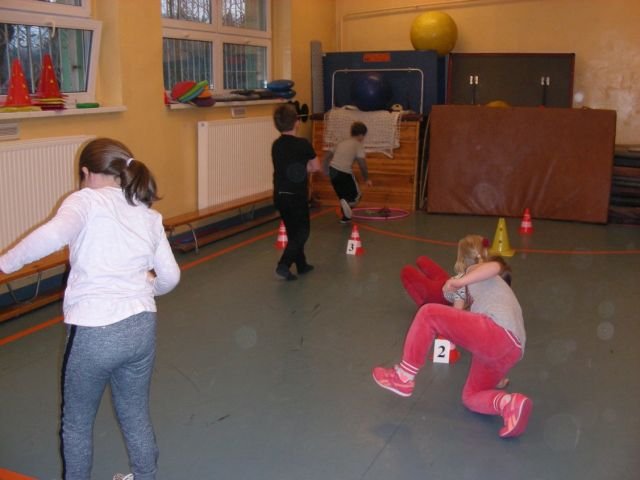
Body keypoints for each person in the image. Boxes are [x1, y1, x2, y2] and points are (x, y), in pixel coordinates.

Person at [0, 138, 181, 479]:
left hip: (94, 331)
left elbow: (51, 236)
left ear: (86, 172)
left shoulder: (84, 200)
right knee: (135, 413)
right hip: (141, 327)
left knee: (77, 423)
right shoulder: (147, 214)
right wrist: (148, 287)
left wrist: (4, 263)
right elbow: (170, 277)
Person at [372, 235, 531, 438]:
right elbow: (457, 315)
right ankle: (508, 404)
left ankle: (403, 376)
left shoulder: (477, 270)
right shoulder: (469, 287)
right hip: (511, 348)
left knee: (428, 313)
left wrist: (459, 280)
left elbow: (494, 267)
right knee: (471, 396)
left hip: (498, 330)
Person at [272, 103, 321, 280]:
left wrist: (299, 166)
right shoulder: (303, 144)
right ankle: (283, 264)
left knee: (293, 231)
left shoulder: (276, 145)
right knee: (302, 232)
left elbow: (286, 166)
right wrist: (304, 167)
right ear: (297, 122)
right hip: (296, 195)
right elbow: (315, 167)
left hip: (280, 195)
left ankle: (301, 264)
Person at [323, 121, 373, 223]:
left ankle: (345, 218)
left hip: (333, 172)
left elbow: (327, 156)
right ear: (361, 135)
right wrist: (366, 179)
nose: (363, 138)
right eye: (363, 136)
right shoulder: (358, 145)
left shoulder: (341, 142)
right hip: (344, 173)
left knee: (343, 196)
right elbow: (362, 165)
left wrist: (325, 170)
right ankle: (347, 205)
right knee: (357, 197)